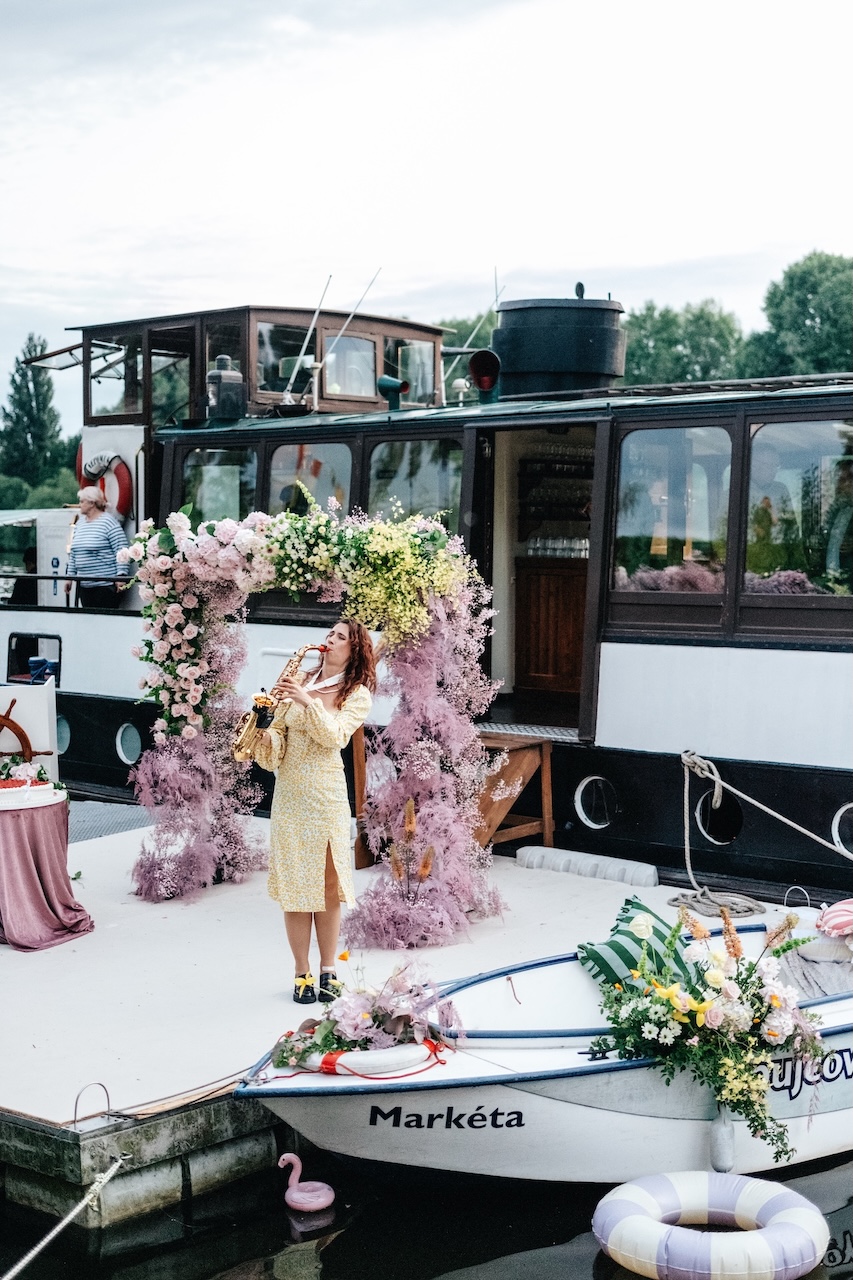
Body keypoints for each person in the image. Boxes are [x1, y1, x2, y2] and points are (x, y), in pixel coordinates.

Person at [254, 619, 377, 1004]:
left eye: (340, 637)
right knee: (295, 889)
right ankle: (301, 973)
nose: (330, 639)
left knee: (326, 887)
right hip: (290, 795)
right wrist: (262, 733)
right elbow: (278, 743)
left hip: (326, 797)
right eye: (330, 634)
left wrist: (306, 701)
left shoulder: (357, 693)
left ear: (354, 650)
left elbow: (335, 737)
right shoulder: (300, 680)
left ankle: (328, 970)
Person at [64, 486, 129, 608]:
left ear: (92, 503)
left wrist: (121, 576)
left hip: (105, 586)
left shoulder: (109, 522)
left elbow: (121, 550)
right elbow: (74, 553)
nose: (79, 505)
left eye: (82, 501)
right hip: (85, 587)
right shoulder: (80, 523)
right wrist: (69, 577)